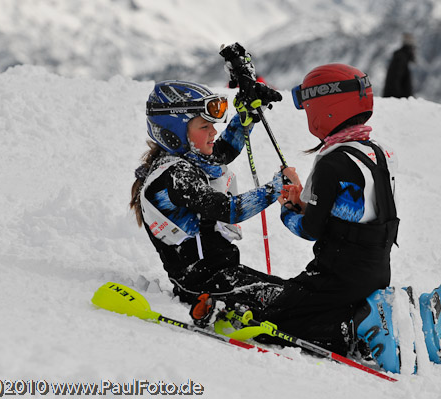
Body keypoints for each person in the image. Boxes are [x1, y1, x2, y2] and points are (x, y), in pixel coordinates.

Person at [255, 63, 400, 359]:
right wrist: (304, 200)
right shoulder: (380, 152)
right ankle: (374, 315)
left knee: (269, 321)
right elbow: (357, 211)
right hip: (376, 272)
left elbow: (311, 229)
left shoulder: (332, 162)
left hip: (337, 275)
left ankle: (353, 332)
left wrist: (286, 209)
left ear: (325, 108)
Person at [129, 79, 289, 321]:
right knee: (292, 303)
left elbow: (222, 151)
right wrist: (276, 188)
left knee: (295, 293)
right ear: (174, 133)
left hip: (223, 276)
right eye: (205, 126)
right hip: (203, 287)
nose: (214, 132)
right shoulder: (174, 175)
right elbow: (226, 209)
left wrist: (247, 113)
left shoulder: (187, 160)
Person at [382, 33, 416, 98]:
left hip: (396, 99)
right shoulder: (401, 59)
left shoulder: (401, 58)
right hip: (396, 101)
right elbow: (394, 81)